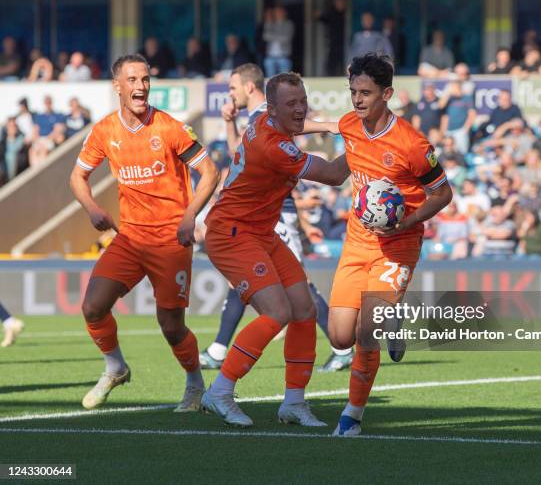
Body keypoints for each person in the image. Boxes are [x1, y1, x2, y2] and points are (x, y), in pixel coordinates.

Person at [70, 54, 220, 412]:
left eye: (146, 80)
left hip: (170, 240)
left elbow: (210, 172)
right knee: (93, 306)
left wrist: (189, 217)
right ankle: (116, 367)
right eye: (133, 80)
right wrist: (93, 209)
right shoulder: (105, 131)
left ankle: (196, 384)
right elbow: (77, 177)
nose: (140, 87)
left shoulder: (170, 128)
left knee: (170, 325)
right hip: (130, 238)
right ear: (117, 86)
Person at [201, 72, 351, 427]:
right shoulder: (274, 145)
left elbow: (298, 125)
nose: (300, 110)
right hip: (232, 233)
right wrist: (360, 139)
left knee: (303, 309)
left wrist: (330, 124)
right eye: (292, 104)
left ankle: (293, 403)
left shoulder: (262, 119)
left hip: (261, 232)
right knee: (277, 312)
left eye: (303, 101)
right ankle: (219, 391)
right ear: (272, 108)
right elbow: (332, 174)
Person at [327, 54, 452, 436]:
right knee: (339, 336)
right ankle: (392, 320)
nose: (357, 100)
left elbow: (443, 194)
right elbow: (335, 169)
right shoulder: (350, 125)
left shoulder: (413, 143)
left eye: (365, 92)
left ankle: (353, 415)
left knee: (365, 331)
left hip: (398, 245)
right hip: (356, 243)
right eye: (353, 92)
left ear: (387, 94)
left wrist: (407, 219)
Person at [317, 0, 347, 76]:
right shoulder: (331, 13)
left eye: (341, 2)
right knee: (332, 63)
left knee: (345, 61)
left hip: (345, 42)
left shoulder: (347, 14)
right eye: (338, 2)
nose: (340, 4)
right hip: (333, 42)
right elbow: (320, 17)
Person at [263, 5, 294, 76]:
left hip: (284, 56)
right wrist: (279, 36)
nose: (277, 14)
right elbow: (265, 36)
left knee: (284, 78)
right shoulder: (270, 23)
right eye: (276, 12)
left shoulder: (289, 24)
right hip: (270, 56)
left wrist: (272, 36)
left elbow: (286, 38)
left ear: (284, 13)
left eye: (279, 12)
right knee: (270, 78)